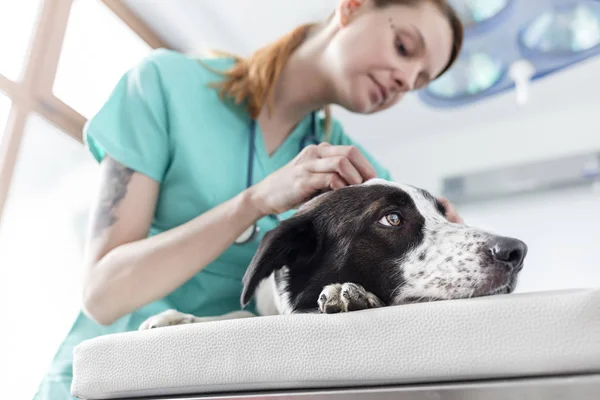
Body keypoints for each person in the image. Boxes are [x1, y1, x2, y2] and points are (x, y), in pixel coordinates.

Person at [33, 0, 464, 398]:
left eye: (419, 82)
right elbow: (103, 294)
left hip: (216, 385)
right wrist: (255, 201)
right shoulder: (164, 85)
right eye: (405, 47)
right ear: (352, 7)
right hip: (103, 379)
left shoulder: (361, 180)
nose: (405, 80)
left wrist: (452, 248)